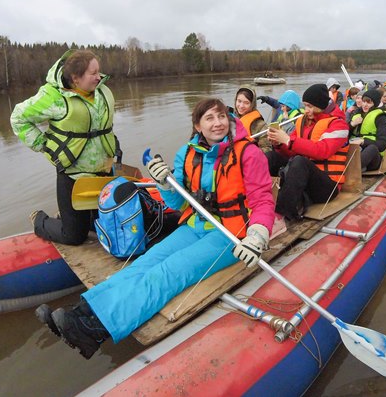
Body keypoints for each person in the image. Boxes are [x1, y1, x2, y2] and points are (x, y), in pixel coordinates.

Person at [35, 98, 275, 358]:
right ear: (198, 125)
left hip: (232, 236)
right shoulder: (187, 153)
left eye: (221, 117)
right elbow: (176, 203)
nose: (217, 123)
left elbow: (263, 199)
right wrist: (165, 184)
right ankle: (83, 313)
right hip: (196, 225)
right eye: (209, 118)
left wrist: (258, 234)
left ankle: (95, 330)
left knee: (167, 273)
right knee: (143, 264)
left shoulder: (248, 153)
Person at [10, 49, 119, 246]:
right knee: (74, 237)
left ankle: (69, 215)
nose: (99, 77)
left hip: (104, 171)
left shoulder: (101, 92)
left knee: (104, 225)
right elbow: (18, 118)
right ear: (75, 78)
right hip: (73, 175)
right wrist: (42, 144)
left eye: (98, 71)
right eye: (93, 73)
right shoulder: (54, 98)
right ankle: (39, 219)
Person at [265, 83, 350, 222]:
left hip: (327, 186)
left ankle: (282, 214)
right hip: (302, 177)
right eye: (305, 106)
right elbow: (291, 151)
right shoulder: (303, 122)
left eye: (310, 106)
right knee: (271, 157)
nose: (306, 110)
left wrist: (288, 140)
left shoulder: (339, 125)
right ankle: (257, 200)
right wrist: (280, 144)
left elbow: (322, 151)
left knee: (300, 162)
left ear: (321, 106)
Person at [347, 89, 386, 172]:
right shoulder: (356, 114)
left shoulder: (381, 118)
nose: (365, 105)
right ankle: (355, 167)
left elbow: (382, 144)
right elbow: (344, 134)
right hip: (356, 150)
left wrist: (363, 141)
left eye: (369, 102)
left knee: (372, 148)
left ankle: (352, 169)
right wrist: (352, 124)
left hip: (373, 157)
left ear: (375, 104)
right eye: (364, 101)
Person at [232, 86, 270, 152]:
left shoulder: (260, 125)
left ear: (252, 104)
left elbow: (267, 149)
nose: (241, 106)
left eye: (246, 103)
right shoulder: (229, 119)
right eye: (239, 101)